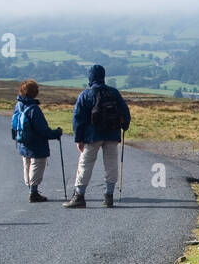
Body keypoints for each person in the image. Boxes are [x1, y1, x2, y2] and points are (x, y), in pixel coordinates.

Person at [63, 64, 131, 209]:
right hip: (112, 134)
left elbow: (78, 119)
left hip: (91, 136)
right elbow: (125, 112)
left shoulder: (85, 95)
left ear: (90, 77)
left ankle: (79, 196)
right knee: (111, 164)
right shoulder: (114, 93)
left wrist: (79, 139)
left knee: (85, 164)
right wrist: (124, 126)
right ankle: (109, 196)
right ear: (103, 76)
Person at [11, 80, 62, 202]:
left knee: (27, 165)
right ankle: (33, 192)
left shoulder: (18, 106)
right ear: (34, 92)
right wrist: (56, 133)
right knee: (37, 165)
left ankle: (30, 188)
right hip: (37, 143)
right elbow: (43, 130)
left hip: (23, 141)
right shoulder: (34, 109)